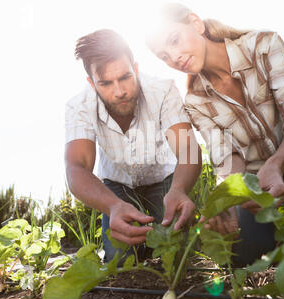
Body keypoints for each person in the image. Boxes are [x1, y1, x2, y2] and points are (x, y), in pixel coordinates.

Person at [146, 3, 284, 266]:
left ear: (196, 23)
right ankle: (283, 238)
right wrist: (227, 204)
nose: (174, 57)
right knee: (242, 255)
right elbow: (227, 158)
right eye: (164, 55)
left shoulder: (263, 45)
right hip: (259, 189)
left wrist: (276, 164)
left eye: (174, 40)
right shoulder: (195, 100)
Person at [65, 29, 202, 262]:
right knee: (119, 260)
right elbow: (76, 168)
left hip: (165, 179)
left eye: (125, 77)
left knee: (181, 251)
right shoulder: (79, 107)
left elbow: (188, 149)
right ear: (91, 82)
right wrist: (113, 206)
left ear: (136, 69)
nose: (119, 91)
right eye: (106, 83)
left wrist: (178, 190)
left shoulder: (163, 90)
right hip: (117, 185)